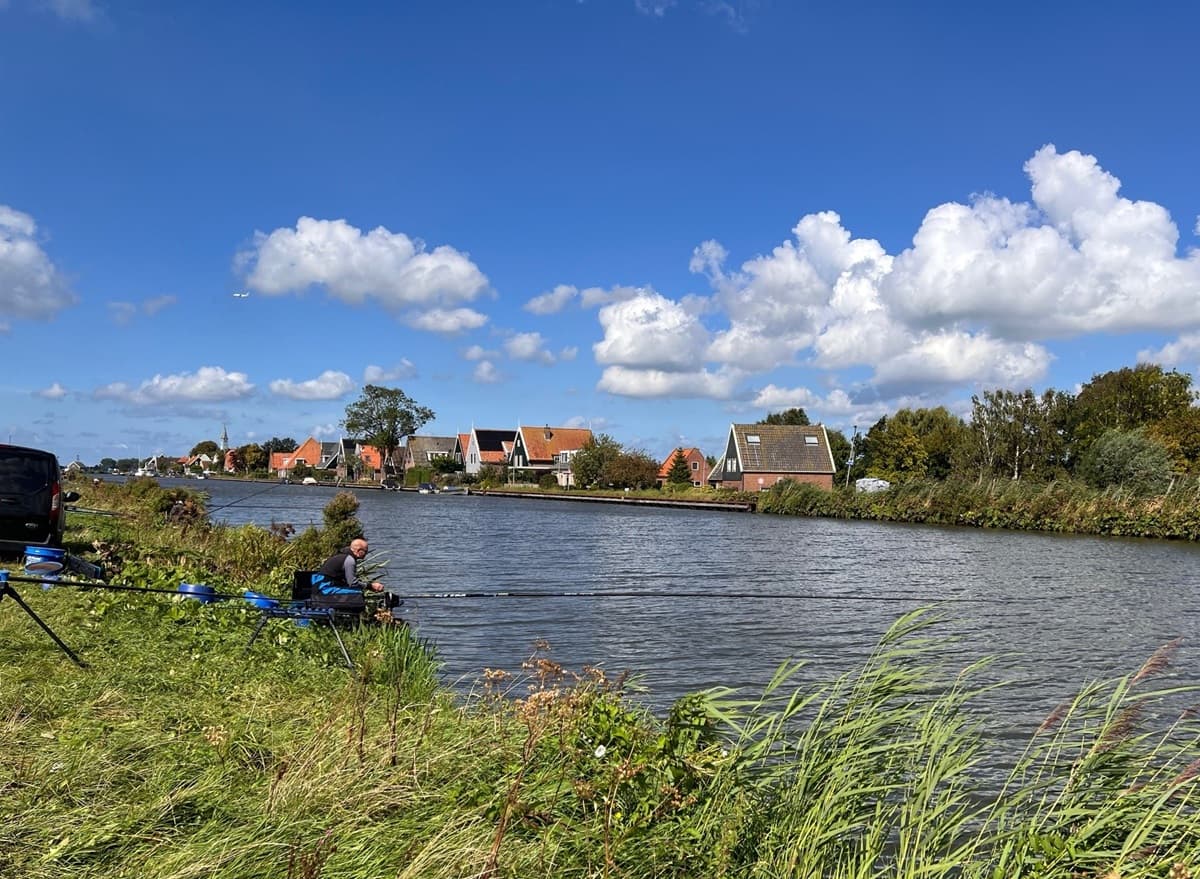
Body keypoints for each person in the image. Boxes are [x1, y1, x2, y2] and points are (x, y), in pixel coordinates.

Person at [312, 537, 385, 611]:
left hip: (319, 588)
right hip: (324, 590)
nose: (366, 554)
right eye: (365, 551)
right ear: (359, 551)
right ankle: (354, 620)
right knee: (357, 595)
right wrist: (370, 586)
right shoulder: (349, 560)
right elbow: (352, 583)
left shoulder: (341, 555)